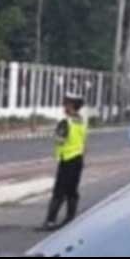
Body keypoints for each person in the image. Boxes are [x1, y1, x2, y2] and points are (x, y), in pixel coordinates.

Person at [41, 90, 88, 231]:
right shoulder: (80, 121)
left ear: (72, 105)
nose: (64, 106)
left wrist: (56, 135)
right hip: (78, 159)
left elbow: (59, 140)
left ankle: (50, 221)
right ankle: (70, 218)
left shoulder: (65, 122)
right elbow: (83, 141)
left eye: (66, 103)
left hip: (67, 160)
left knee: (59, 192)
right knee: (72, 191)